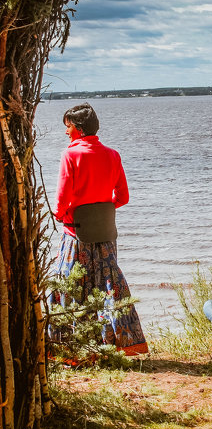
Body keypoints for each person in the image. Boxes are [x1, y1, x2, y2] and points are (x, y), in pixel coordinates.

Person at [50, 102, 148, 355]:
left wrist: (60, 214)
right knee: (108, 287)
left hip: (76, 235)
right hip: (105, 236)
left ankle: (71, 347)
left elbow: (62, 199)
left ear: (79, 129)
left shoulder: (70, 155)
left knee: (70, 285)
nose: (66, 132)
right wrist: (101, 210)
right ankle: (124, 345)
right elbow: (123, 197)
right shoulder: (113, 155)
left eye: (68, 127)